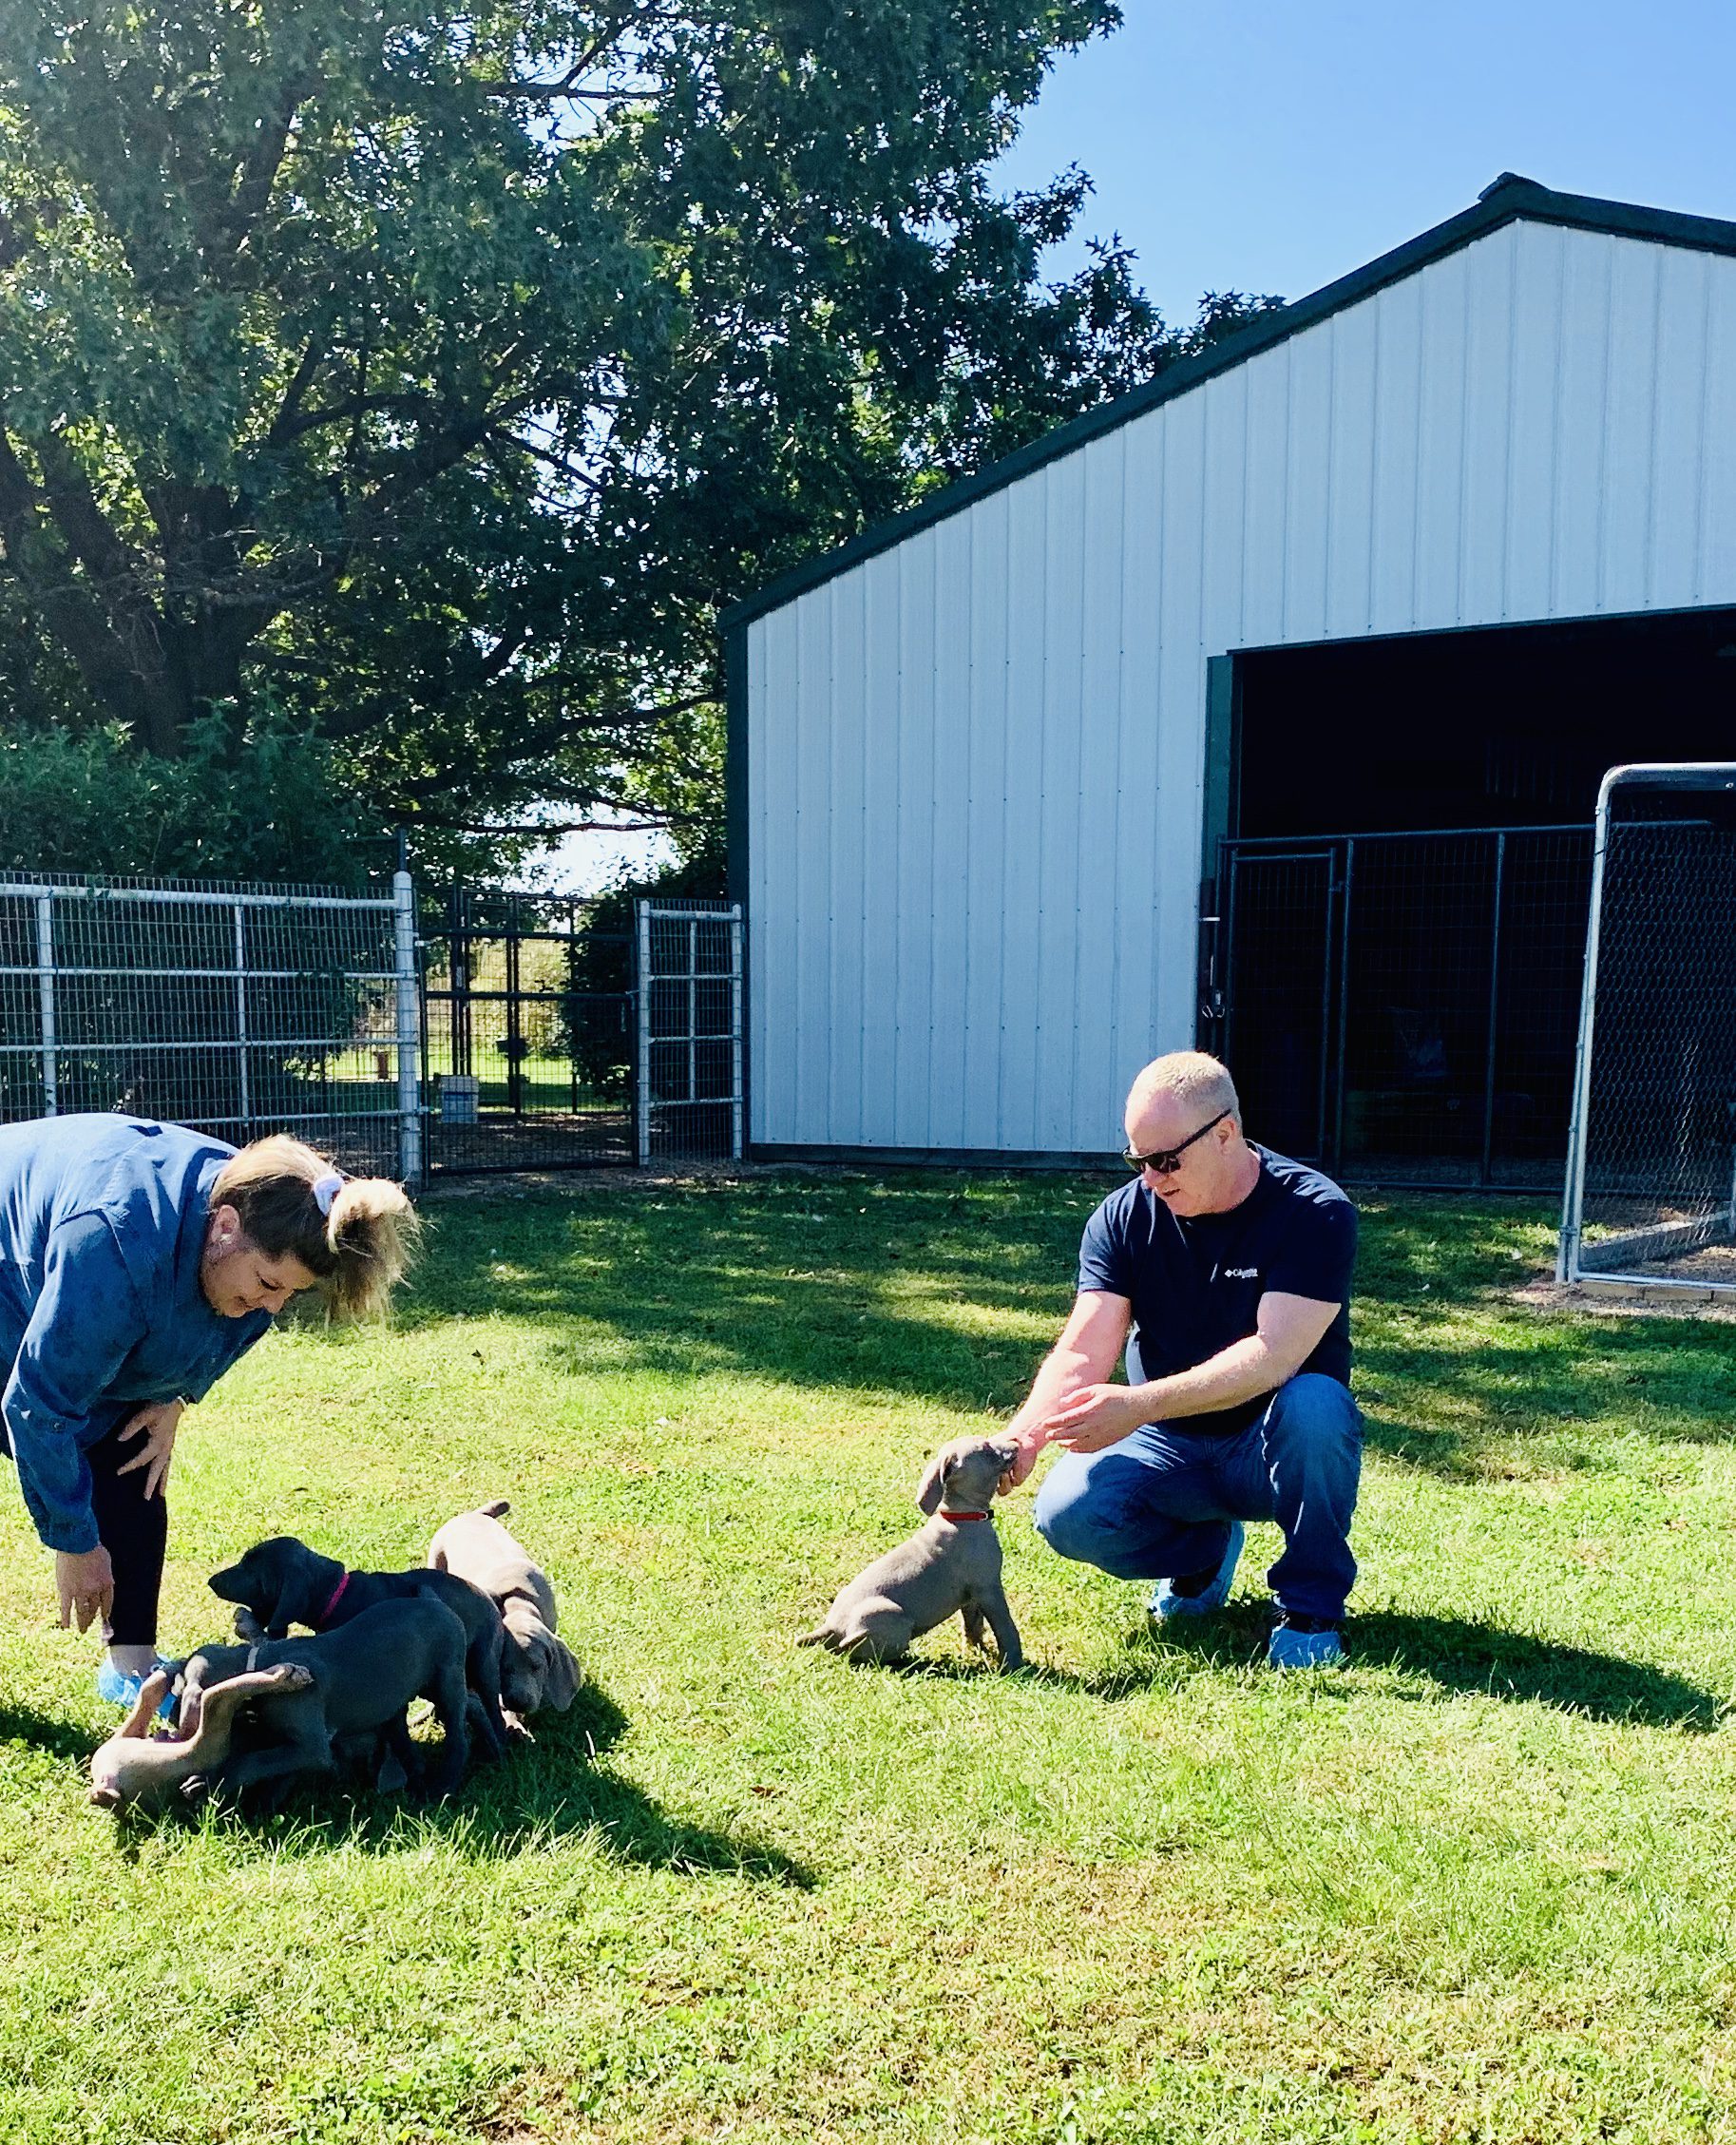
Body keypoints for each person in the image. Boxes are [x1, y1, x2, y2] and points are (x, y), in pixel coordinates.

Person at [0, 1115, 418, 1705]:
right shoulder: (116, 1244)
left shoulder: (263, 1209)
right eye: (268, 1282)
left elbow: (227, 1329)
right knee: (66, 1416)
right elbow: (37, 1405)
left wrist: (174, 1395)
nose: (270, 1308)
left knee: (132, 1441)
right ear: (224, 1227)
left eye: (290, 1294)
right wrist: (73, 1541)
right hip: (13, 1257)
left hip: (100, 1269)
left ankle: (132, 1671)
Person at [998, 1051, 1362, 1670]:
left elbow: (1273, 1357)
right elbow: (1084, 1346)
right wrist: (1022, 1438)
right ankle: (1200, 1555)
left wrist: (1139, 1403)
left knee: (1317, 1405)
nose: (1151, 1178)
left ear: (1224, 1133)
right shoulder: (1122, 1217)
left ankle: (1309, 1606)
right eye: (1137, 1160)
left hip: (1267, 1448)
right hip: (1169, 1444)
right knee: (1067, 1515)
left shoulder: (1313, 1211)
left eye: (1166, 1160)